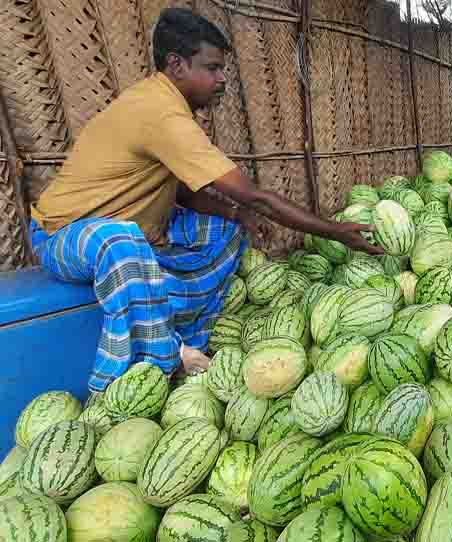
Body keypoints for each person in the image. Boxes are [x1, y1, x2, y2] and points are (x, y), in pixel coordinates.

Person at [29, 8, 380, 398]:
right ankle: (162, 359)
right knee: (120, 244)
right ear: (176, 65)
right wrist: (334, 231)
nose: (222, 79)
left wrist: (235, 214)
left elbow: (181, 190)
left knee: (228, 229)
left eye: (223, 69)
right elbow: (253, 193)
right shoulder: (161, 115)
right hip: (64, 233)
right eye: (212, 68)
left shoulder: (164, 106)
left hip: (139, 226)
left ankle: (186, 325)